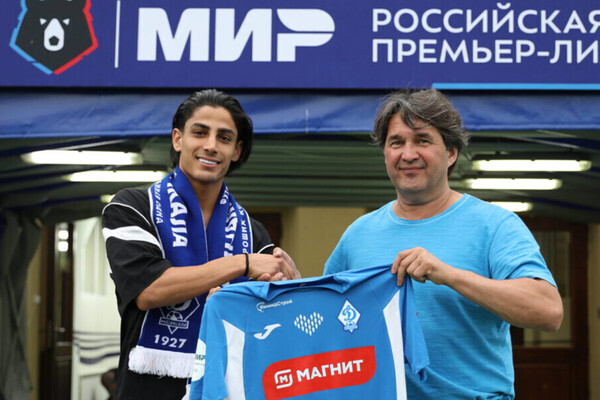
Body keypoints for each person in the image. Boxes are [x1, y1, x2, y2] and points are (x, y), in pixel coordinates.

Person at [324, 88, 563, 399]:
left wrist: (449, 275)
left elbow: (548, 311)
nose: (408, 154)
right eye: (396, 142)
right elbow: (328, 323)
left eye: (422, 140)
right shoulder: (358, 234)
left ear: (451, 153)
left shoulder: (496, 225)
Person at [102, 89, 300, 400]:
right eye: (199, 132)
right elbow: (148, 290)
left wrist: (288, 285)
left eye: (224, 137)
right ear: (177, 139)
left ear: (236, 151)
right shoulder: (132, 208)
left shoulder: (252, 231)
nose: (211, 145)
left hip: (230, 387)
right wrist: (242, 264)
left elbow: (271, 314)